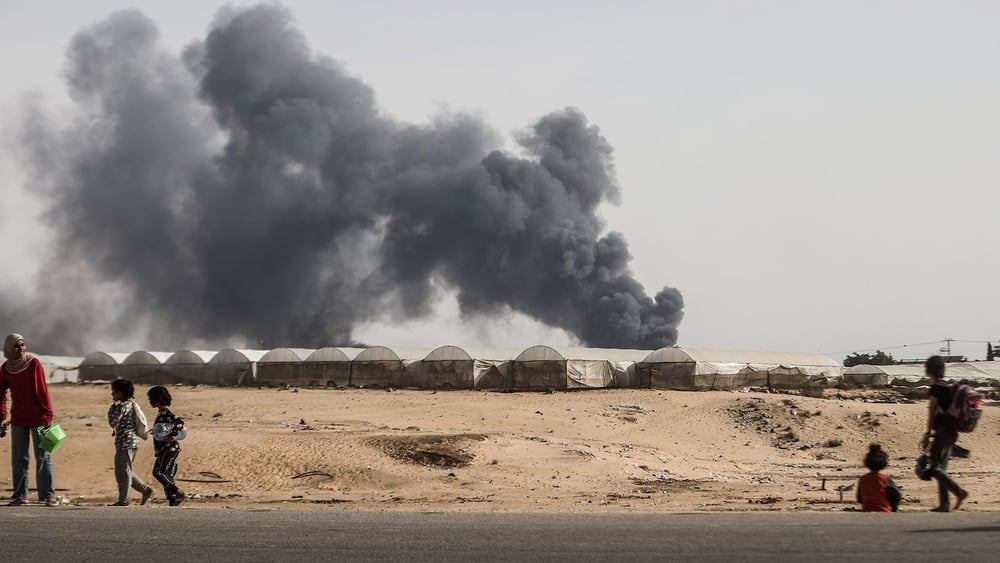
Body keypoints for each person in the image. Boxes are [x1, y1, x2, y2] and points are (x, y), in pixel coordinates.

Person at [0, 333, 57, 506]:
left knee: (43, 456)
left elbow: (42, 390)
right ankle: (20, 495)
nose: (21, 348)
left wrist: (48, 415)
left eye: (23, 345)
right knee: (19, 458)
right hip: (18, 419)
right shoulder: (6, 368)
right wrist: (2, 416)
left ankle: (48, 495)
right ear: (9, 348)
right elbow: (0, 394)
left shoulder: (33, 364)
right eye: (17, 346)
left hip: (39, 418)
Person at [919, 355, 969, 512]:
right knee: (941, 469)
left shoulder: (936, 388)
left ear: (929, 370)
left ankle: (958, 492)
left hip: (942, 433)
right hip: (952, 432)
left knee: (933, 467)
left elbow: (932, 410)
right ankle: (945, 504)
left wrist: (927, 433)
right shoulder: (949, 387)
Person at [107, 379, 154, 506]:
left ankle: (124, 499)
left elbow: (113, 422)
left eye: (114, 391)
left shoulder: (122, 406)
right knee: (123, 470)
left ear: (120, 393)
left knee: (124, 471)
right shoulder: (130, 404)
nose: (112, 394)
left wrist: (112, 409)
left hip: (126, 442)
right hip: (129, 442)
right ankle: (145, 490)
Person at [148, 386, 186, 506]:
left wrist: (172, 436)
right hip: (166, 449)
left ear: (157, 399)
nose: (150, 401)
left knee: (158, 472)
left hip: (169, 448)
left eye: (151, 399)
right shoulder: (161, 413)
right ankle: (173, 500)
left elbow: (179, 423)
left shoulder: (166, 414)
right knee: (167, 474)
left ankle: (177, 492)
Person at [856, 443, 902, 512]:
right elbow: (896, 496)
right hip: (884, 511)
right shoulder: (885, 479)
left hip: (867, 511)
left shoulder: (863, 479)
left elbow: (859, 499)